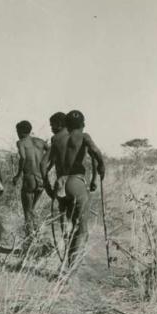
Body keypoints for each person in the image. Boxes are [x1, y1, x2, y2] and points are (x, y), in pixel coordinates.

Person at [43, 110, 105, 269]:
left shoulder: (56, 139)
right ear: (83, 124)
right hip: (76, 182)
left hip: (60, 185)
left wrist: (47, 186)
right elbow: (96, 153)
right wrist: (102, 169)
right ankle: (72, 269)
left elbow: (43, 165)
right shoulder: (84, 137)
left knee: (68, 225)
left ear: (66, 125)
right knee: (81, 228)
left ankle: (67, 262)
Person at [12, 121, 47, 233]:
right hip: (41, 179)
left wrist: (18, 175)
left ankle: (29, 240)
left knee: (27, 211)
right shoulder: (40, 142)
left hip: (29, 178)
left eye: (17, 131)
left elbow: (23, 157)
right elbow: (51, 150)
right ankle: (37, 235)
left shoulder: (21, 142)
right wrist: (47, 165)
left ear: (21, 132)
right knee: (33, 210)